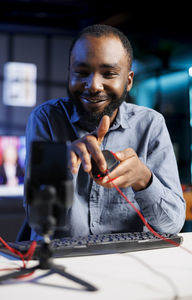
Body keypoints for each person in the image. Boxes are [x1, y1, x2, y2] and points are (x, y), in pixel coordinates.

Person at [24, 24, 185, 241]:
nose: (93, 85)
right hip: (62, 260)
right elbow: (37, 220)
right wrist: (59, 165)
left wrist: (143, 179)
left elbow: (172, 224)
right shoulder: (46, 119)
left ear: (128, 81)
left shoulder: (150, 124)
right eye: (81, 73)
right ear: (69, 73)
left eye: (108, 74)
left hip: (126, 264)